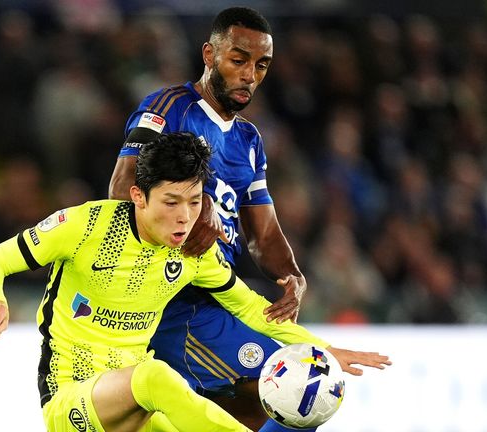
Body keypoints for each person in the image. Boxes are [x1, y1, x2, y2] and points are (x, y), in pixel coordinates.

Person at [0, 132, 390, 432]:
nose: (184, 217)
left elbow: (249, 307)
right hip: (72, 401)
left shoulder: (193, 253)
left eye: (194, 202)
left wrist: (322, 348)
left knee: (298, 392)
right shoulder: (84, 226)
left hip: (141, 411)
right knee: (155, 376)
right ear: (138, 196)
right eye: (171, 202)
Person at [109, 7, 386, 431]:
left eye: (261, 65)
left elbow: (263, 232)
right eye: (238, 60)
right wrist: (188, 212)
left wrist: (292, 276)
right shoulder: (169, 108)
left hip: (218, 297)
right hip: (173, 302)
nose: (249, 75)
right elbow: (120, 188)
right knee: (295, 390)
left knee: (298, 397)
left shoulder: (249, 141)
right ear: (209, 55)